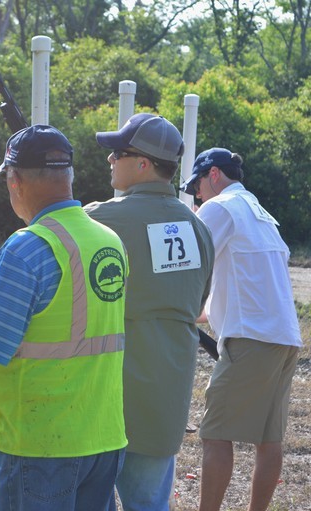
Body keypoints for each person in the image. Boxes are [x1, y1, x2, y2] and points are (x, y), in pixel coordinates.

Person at [0, 124, 129, 511]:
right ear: (69, 176)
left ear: (15, 180)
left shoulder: (26, 247)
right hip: (103, 438)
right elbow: (66, 317)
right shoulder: (109, 240)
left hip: (39, 444)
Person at [84, 113, 215, 511]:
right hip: (165, 403)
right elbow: (195, 307)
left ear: (142, 164)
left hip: (104, 400)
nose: (109, 160)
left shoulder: (99, 220)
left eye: (117, 153)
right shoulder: (198, 229)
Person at [181, 148, 302, 511]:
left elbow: (191, 261)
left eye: (198, 186)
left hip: (252, 338)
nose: (197, 195)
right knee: (269, 439)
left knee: (215, 433)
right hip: (284, 337)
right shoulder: (261, 213)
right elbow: (246, 282)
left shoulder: (219, 207)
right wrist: (201, 315)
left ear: (213, 174)